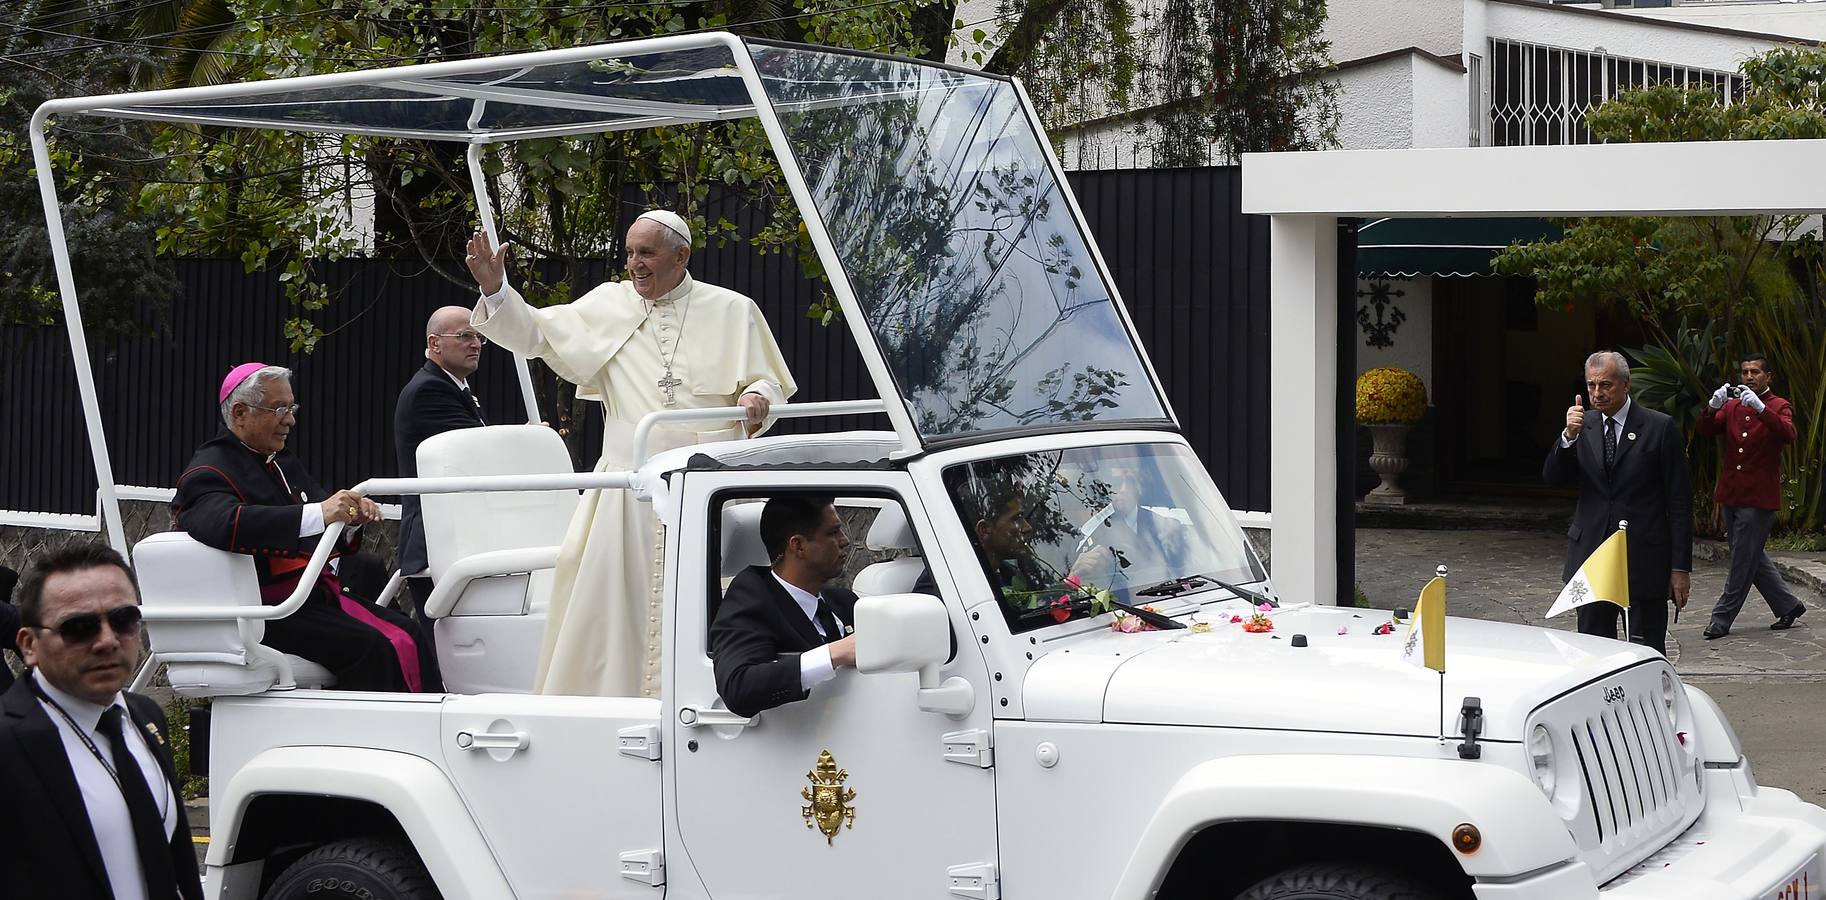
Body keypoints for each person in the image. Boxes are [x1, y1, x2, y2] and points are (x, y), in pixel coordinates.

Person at [464, 210, 796, 698]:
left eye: (646, 253)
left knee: (706, 601)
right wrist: (496, 291)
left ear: (681, 256)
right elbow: (534, 333)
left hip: (708, 490)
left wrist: (758, 397)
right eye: (629, 253)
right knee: (611, 611)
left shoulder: (732, 309)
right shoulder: (609, 305)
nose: (634, 264)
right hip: (630, 490)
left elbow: (767, 382)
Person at [174, 363, 442, 693]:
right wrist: (323, 513)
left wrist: (349, 518)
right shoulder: (209, 470)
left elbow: (321, 515)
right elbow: (225, 524)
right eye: (280, 409)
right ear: (240, 412)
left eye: (292, 407)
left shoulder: (283, 462)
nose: (290, 419)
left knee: (409, 632)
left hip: (310, 598)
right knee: (375, 646)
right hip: (265, 612)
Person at [0, 545, 205, 900]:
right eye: (78, 628)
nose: (108, 641)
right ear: (29, 645)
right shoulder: (9, 743)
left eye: (123, 620)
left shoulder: (145, 718)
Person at [1544, 351, 1692, 654]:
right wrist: (1567, 437)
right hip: (1591, 556)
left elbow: (1679, 501)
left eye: (1606, 385)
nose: (1597, 393)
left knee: (1646, 648)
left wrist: (1680, 568)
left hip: (1644, 557)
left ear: (1626, 385)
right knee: (1593, 648)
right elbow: (1553, 479)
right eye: (1592, 386)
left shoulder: (1659, 427)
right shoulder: (1582, 426)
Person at [709, 496, 857, 717]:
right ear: (798, 545)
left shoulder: (843, 602)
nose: (844, 540)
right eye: (832, 532)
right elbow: (737, 687)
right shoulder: (752, 597)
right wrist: (834, 654)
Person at [1697, 353, 1805, 639]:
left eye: (1755, 372)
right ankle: (1788, 605)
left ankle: (1721, 619)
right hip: (1732, 493)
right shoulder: (1733, 406)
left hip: (1758, 498)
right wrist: (1712, 407)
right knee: (1749, 556)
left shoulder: (1778, 405)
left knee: (1742, 561)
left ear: (1768, 376)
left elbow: (1788, 433)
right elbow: (1706, 429)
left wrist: (1760, 409)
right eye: (1745, 372)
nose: (1749, 377)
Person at [394, 306, 489, 617]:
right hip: (437, 543)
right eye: (464, 336)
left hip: (458, 540)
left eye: (478, 337)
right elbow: (479, 450)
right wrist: (527, 438)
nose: (475, 344)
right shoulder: (429, 390)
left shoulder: (453, 388)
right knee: (446, 651)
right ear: (434, 343)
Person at [1070, 466, 1191, 590]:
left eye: (1131, 482)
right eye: (1116, 482)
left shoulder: (1165, 526)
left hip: (1168, 597)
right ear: (1106, 488)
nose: (1123, 489)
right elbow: (1078, 586)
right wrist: (1074, 576)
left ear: (1139, 487)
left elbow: (1186, 568)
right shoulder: (1094, 534)